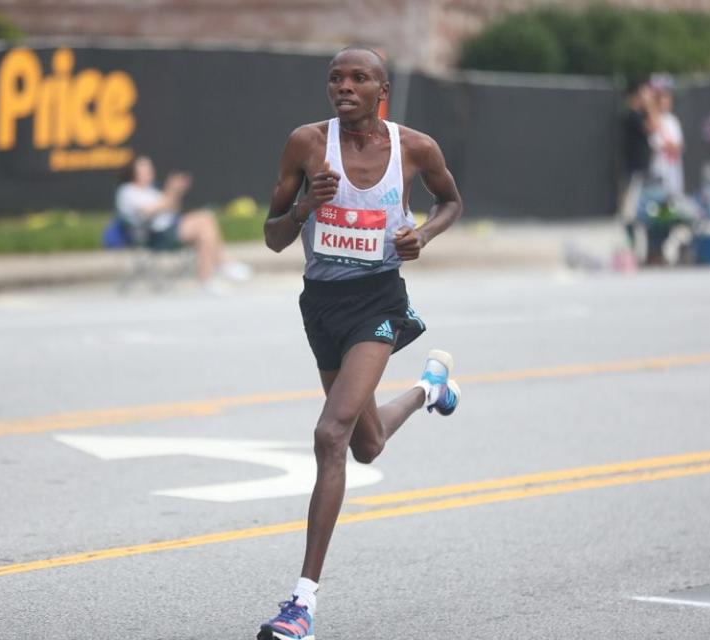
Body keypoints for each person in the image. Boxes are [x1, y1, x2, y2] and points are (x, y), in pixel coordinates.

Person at [256, 46, 463, 640]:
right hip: (321, 306)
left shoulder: (414, 148)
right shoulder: (305, 144)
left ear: (382, 90)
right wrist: (304, 207)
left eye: (358, 78)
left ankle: (301, 604)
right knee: (366, 445)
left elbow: (451, 200)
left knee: (330, 433)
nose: (344, 86)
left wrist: (421, 234)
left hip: (378, 302)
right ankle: (430, 388)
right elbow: (272, 238)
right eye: (335, 78)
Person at [115, 155, 250, 288]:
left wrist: (176, 192)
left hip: (169, 227)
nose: (149, 172)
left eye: (150, 168)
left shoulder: (151, 190)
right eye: (144, 169)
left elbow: (172, 208)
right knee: (204, 223)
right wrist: (170, 190)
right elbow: (151, 210)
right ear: (133, 172)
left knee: (205, 225)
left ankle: (208, 276)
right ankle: (221, 265)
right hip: (153, 235)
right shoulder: (128, 191)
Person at [619, 78, 655, 260]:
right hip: (635, 171)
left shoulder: (638, 115)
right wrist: (649, 105)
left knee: (641, 212)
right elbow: (653, 127)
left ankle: (640, 251)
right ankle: (631, 251)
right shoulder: (632, 116)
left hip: (642, 171)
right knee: (630, 212)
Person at [648, 76, 684, 197]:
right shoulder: (653, 120)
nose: (666, 101)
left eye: (668, 97)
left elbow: (678, 147)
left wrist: (673, 146)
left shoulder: (673, 120)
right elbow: (660, 143)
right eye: (662, 97)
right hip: (659, 171)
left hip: (673, 171)